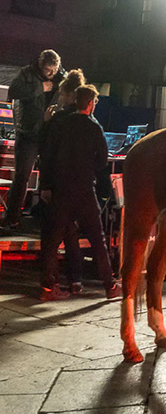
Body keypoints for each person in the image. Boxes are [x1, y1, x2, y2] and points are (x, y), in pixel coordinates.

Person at [36, 74, 118, 300]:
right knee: (98, 240)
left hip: (61, 190)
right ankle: (110, 286)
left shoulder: (60, 124)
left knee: (52, 240)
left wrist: (46, 185)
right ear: (90, 104)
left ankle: (48, 288)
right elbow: (102, 161)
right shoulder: (94, 128)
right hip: (84, 190)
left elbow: (48, 155)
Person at [2, 49, 65, 229]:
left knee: (51, 176)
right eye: (47, 70)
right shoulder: (27, 73)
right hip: (28, 132)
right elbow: (13, 91)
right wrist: (40, 88)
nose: (51, 74)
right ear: (40, 65)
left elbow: (71, 89)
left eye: (54, 70)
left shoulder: (61, 76)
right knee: (22, 175)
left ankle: (43, 214)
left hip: (49, 133)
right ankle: (12, 217)